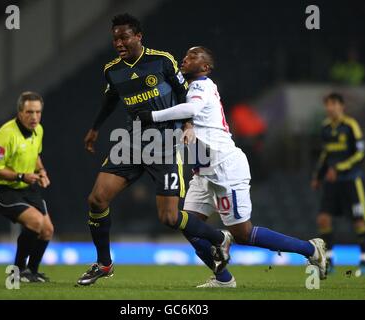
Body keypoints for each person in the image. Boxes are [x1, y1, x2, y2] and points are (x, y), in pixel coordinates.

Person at [138, 46, 327, 287]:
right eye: (185, 55)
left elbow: (191, 110)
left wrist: (152, 116)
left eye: (193, 56)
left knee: (243, 234)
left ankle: (310, 249)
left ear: (206, 67)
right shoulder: (186, 89)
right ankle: (224, 278)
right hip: (202, 171)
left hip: (224, 167)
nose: (185, 59)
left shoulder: (201, 85)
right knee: (187, 224)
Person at [77, 14, 232, 286]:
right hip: (131, 142)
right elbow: (110, 99)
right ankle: (104, 264)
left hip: (165, 143)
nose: (119, 43)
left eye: (124, 37)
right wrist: (95, 128)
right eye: (115, 38)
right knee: (97, 199)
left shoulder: (162, 61)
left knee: (170, 218)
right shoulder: (112, 70)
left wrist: (187, 125)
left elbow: (185, 95)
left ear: (138, 36)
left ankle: (220, 243)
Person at [0, 92, 53, 283]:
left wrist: (42, 171)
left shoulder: (39, 130)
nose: (34, 117)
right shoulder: (6, 134)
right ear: (20, 112)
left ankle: (32, 272)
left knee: (47, 230)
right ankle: (18, 270)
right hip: (0, 188)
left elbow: (35, 155)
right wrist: (20, 175)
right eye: (29, 112)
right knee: (35, 222)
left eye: (38, 112)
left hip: (25, 186)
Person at [311, 93, 365, 275]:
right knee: (323, 219)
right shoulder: (325, 128)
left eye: (334, 104)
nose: (330, 108)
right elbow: (325, 155)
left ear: (342, 106)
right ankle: (329, 261)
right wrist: (318, 176)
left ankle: (364, 262)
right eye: (327, 104)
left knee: (359, 221)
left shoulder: (351, 126)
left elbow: (360, 154)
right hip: (331, 181)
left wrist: (339, 168)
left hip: (351, 180)